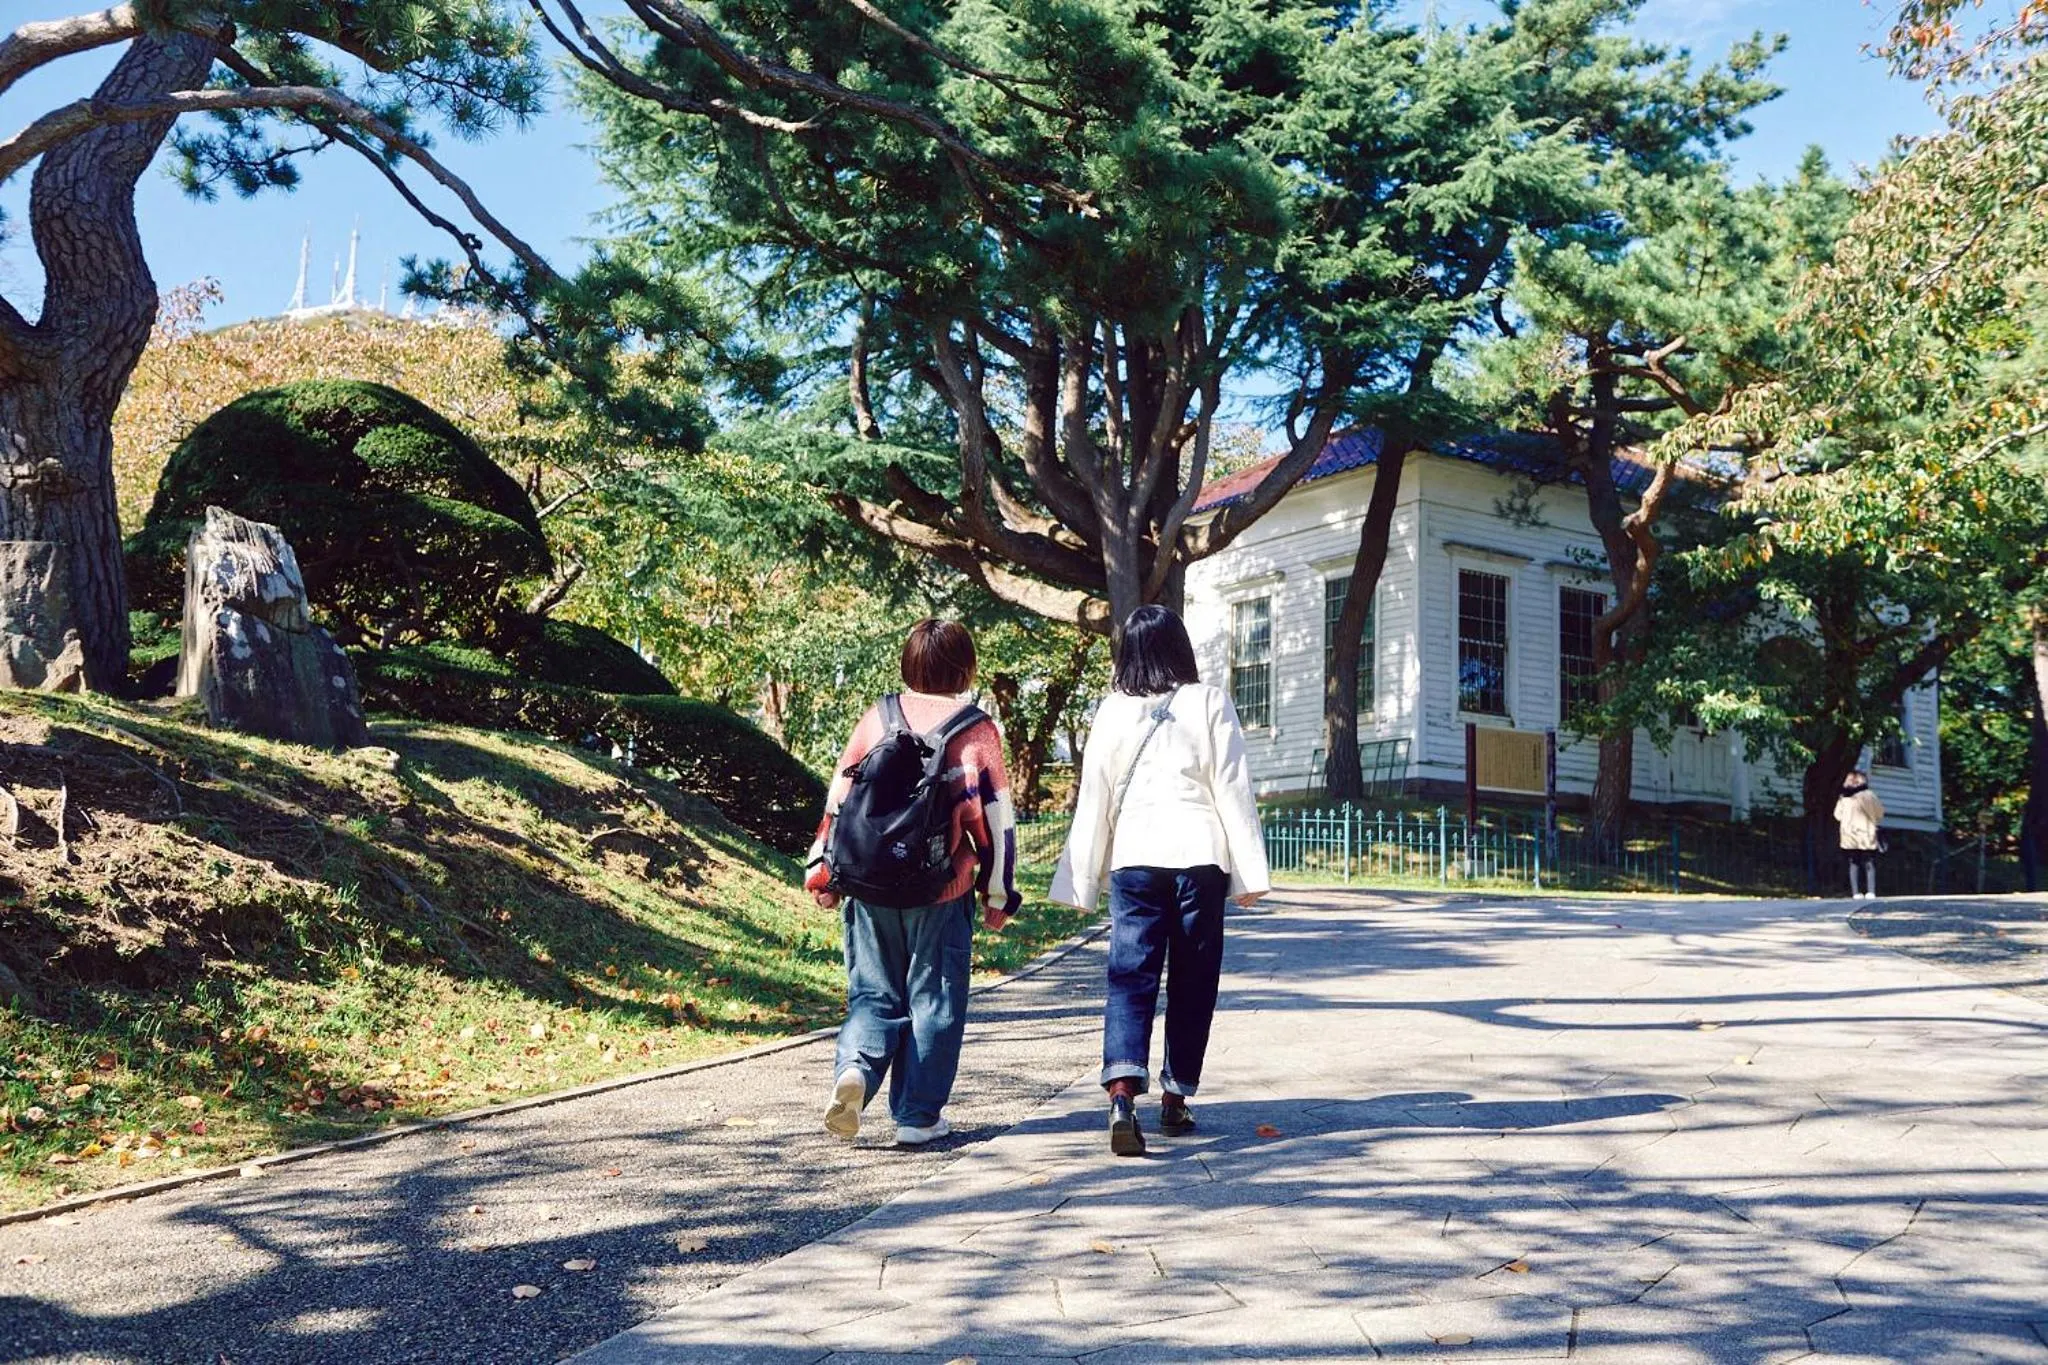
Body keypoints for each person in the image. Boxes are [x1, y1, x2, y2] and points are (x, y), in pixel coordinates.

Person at [1051, 605, 1269, 1157]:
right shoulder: (1211, 701)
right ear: (1180, 648)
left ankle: (1122, 1095)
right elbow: (1232, 791)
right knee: (1194, 981)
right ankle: (1175, 1098)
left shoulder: (1112, 711)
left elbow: (1095, 796)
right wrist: (1248, 875)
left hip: (1135, 860)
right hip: (1200, 858)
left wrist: (1081, 879)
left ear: (1127, 652)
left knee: (1131, 975)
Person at [805, 619, 1019, 1146]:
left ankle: (854, 1070)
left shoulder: (876, 719)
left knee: (872, 996)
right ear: (965, 668)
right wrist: (999, 894)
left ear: (908, 665)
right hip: (939, 891)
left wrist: (823, 869)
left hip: (869, 888)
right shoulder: (974, 730)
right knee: (935, 998)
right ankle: (917, 1118)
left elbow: (840, 801)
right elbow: (994, 820)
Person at [1835, 769, 1886, 901]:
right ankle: (1871, 891)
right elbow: (1880, 813)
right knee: (1869, 862)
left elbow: (1837, 815)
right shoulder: (1869, 795)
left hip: (1849, 834)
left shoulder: (1844, 797)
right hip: (1866, 832)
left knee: (1853, 863)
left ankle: (1855, 892)